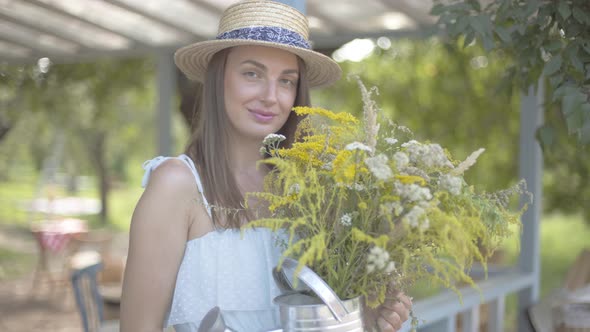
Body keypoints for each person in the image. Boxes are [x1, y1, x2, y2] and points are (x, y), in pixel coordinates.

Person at [120, 1, 412, 331]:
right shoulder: (177, 185)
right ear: (219, 79)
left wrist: (363, 319)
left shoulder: (317, 192)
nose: (271, 96)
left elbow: (324, 321)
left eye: (286, 81)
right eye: (252, 74)